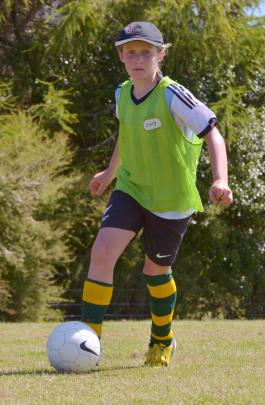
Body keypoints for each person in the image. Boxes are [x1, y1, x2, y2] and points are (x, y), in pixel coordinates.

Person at [81, 21, 233, 367]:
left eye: (145, 52)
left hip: (170, 200)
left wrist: (220, 179)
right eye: (130, 52)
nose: (138, 59)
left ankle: (162, 338)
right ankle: (87, 343)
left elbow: (212, 133)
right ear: (121, 56)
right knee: (102, 252)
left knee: (155, 273)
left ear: (160, 55)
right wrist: (109, 173)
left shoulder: (171, 94)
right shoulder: (122, 94)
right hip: (131, 188)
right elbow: (127, 133)